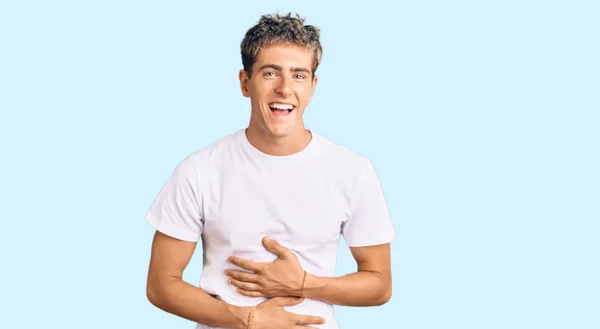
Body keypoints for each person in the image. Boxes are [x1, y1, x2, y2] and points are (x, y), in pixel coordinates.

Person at [145, 13, 395, 329]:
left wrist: (305, 283)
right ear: (245, 83)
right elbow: (160, 284)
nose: (285, 89)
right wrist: (247, 319)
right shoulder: (200, 170)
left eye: (299, 75)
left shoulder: (352, 171)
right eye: (270, 73)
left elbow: (379, 284)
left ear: (313, 86)